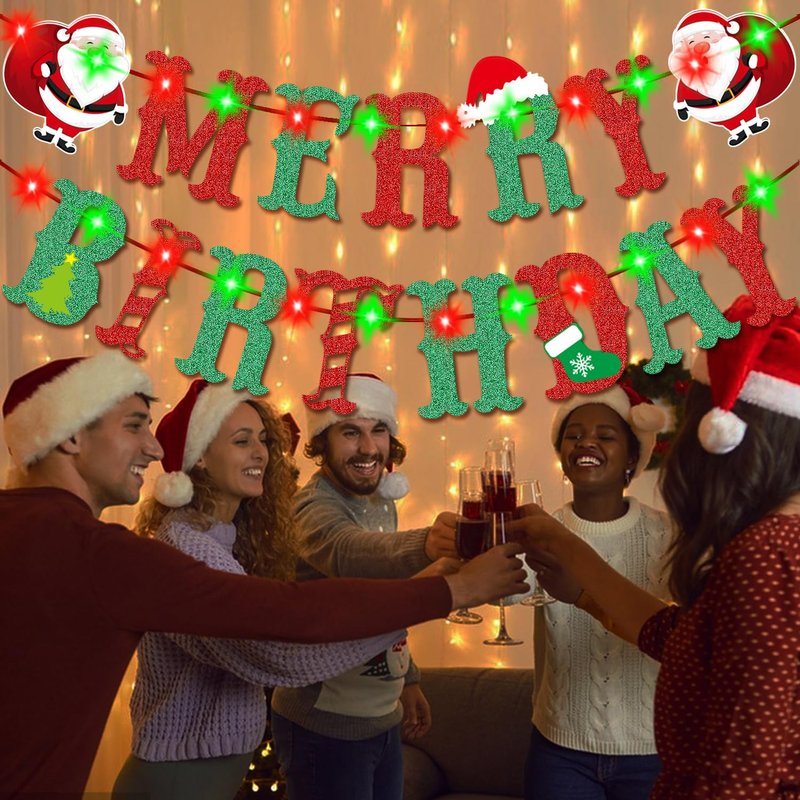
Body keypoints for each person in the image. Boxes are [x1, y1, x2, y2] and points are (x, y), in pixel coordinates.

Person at [0, 352, 527, 799]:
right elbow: (285, 640)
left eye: (263, 440)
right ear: (70, 435)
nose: (155, 447)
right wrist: (450, 587)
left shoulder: (196, 542)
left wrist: (415, 650)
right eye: (134, 425)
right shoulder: (131, 549)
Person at [518, 294, 800, 799]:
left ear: (721, 434)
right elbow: (681, 640)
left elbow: (741, 778)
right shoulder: (771, 544)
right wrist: (571, 564)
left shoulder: (766, 555)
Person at [113, 380, 428, 799]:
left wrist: (407, 670)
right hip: (176, 779)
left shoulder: (229, 537)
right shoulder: (189, 549)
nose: (260, 453)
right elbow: (279, 655)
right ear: (200, 456)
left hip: (204, 773)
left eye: (263, 439)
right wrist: (437, 592)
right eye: (242, 441)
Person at [271, 373, 459, 800]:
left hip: (381, 718)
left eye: (379, 430)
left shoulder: (381, 501)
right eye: (350, 432)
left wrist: (408, 678)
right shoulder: (311, 505)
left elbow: (383, 594)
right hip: (324, 725)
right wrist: (427, 545)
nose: (369, 448)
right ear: (322, 442)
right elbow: (347, 552)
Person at [524, 383, 671, 800]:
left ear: (632, 458)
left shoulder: (670, 535)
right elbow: (510, 591)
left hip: (654, 750)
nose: (586, 442)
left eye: (605, 436)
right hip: (559, 750)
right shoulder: (540, 531)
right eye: (574, 435)